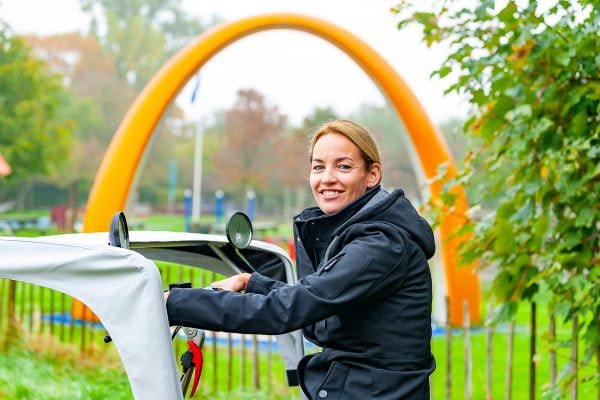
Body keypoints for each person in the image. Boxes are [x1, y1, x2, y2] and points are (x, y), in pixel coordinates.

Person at [165, 119, 436, 399]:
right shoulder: (362, 234)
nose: (327, 178)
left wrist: (173, 303)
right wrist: (251, 283)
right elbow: (317, 306)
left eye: (343, 166)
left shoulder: (379, 245)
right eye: (319, 167)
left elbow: (290, 309)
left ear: (372, 174)